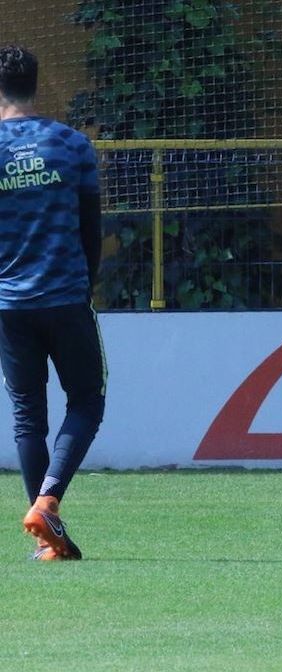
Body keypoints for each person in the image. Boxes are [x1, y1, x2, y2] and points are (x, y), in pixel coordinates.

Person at [0, 45, 105, 561]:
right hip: (65, 296)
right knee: (87, 400)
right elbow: (92, 227)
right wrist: (88, 284)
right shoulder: (73, 145)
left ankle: (46, 535)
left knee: (27, 417)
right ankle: (48, 504)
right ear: (36, 85)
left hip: (8, 304)